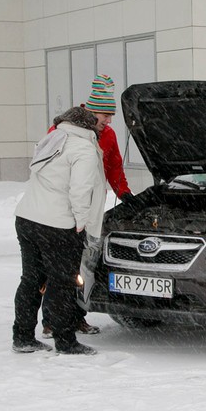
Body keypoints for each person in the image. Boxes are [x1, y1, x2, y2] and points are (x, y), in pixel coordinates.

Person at [41, 74, 132, 339]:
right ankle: (50, 320)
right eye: (105, 115)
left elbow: (114, 166)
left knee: (84, 267)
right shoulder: (62, 132)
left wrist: (123, 192)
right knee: (58, 267)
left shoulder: (109, 135)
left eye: (110, 116)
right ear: (90, 110)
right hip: (63, 209)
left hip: (92, 210)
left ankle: (78, 316)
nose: (108, 121)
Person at [12, 106, 107, 355]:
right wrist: (81, 223)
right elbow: (80, 191)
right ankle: (65, 341)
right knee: (63, 282)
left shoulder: (52, 139)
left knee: (31, 279)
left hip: (26, 218)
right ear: (87, 127)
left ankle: (22, 336)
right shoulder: (84, 149)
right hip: (57, 225)